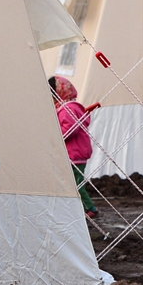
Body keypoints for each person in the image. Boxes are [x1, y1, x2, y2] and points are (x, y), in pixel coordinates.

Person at [50, 75, 98, 219]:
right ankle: (78, 209)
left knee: (76, 185)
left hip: (74, 154)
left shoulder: (67, 109)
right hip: (76, 153)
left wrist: (55, 137)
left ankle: (90, 208)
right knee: (73, 183)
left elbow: (70, 129)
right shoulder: (70, 107)